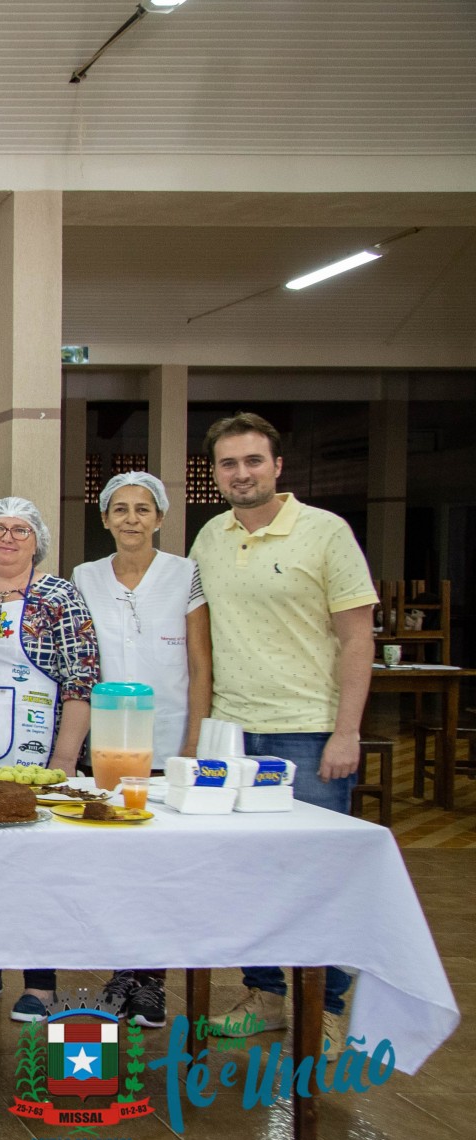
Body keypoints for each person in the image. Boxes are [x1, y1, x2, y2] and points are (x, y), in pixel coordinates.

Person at [192, 413, 376, 1058]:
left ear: (277, 467)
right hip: (232, 735)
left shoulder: (327, 533)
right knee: (244, 876)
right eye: (228, 464)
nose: (241, 474)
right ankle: (265, 994)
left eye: (253, 461)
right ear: (216, 472)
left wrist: (346, 731)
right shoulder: (209, 538)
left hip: (308, 731)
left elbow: (358, 639)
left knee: (318, 876)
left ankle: (323, 1005)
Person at [0, 496, 100, 1023]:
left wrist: (64, 759)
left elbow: (81, 681)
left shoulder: (58, 596)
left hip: (34, 753)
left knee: (35, 871)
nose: (7, 538)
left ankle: (41, 981)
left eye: (19, 530)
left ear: (38, 540)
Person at [74, 471, 213, 1029]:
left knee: (158, 867)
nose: (132, 518)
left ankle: (151, 982)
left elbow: (201, 663)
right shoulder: (85, 576)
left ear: (160, 518)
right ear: (105, 518)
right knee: (112, 867)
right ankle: (120, 973)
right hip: (104, 749)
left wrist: (194, 741)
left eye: (143, 509)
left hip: (168, 742)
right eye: (121, 509)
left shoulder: (185, 575)